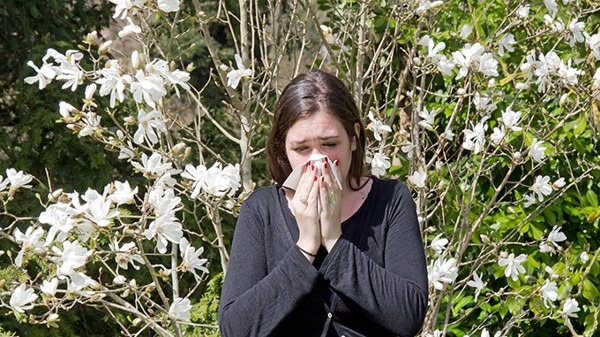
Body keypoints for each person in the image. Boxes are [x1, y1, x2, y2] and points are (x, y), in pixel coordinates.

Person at [218, 70, 428, 337]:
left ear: (354, 138)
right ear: (284, 148)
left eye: (329, 144)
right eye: (302, 149)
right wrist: (305, 246)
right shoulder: (261, 211)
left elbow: (409, 316)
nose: (318, 160)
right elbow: (235, 329)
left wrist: (334, 241)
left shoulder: (391, 202)